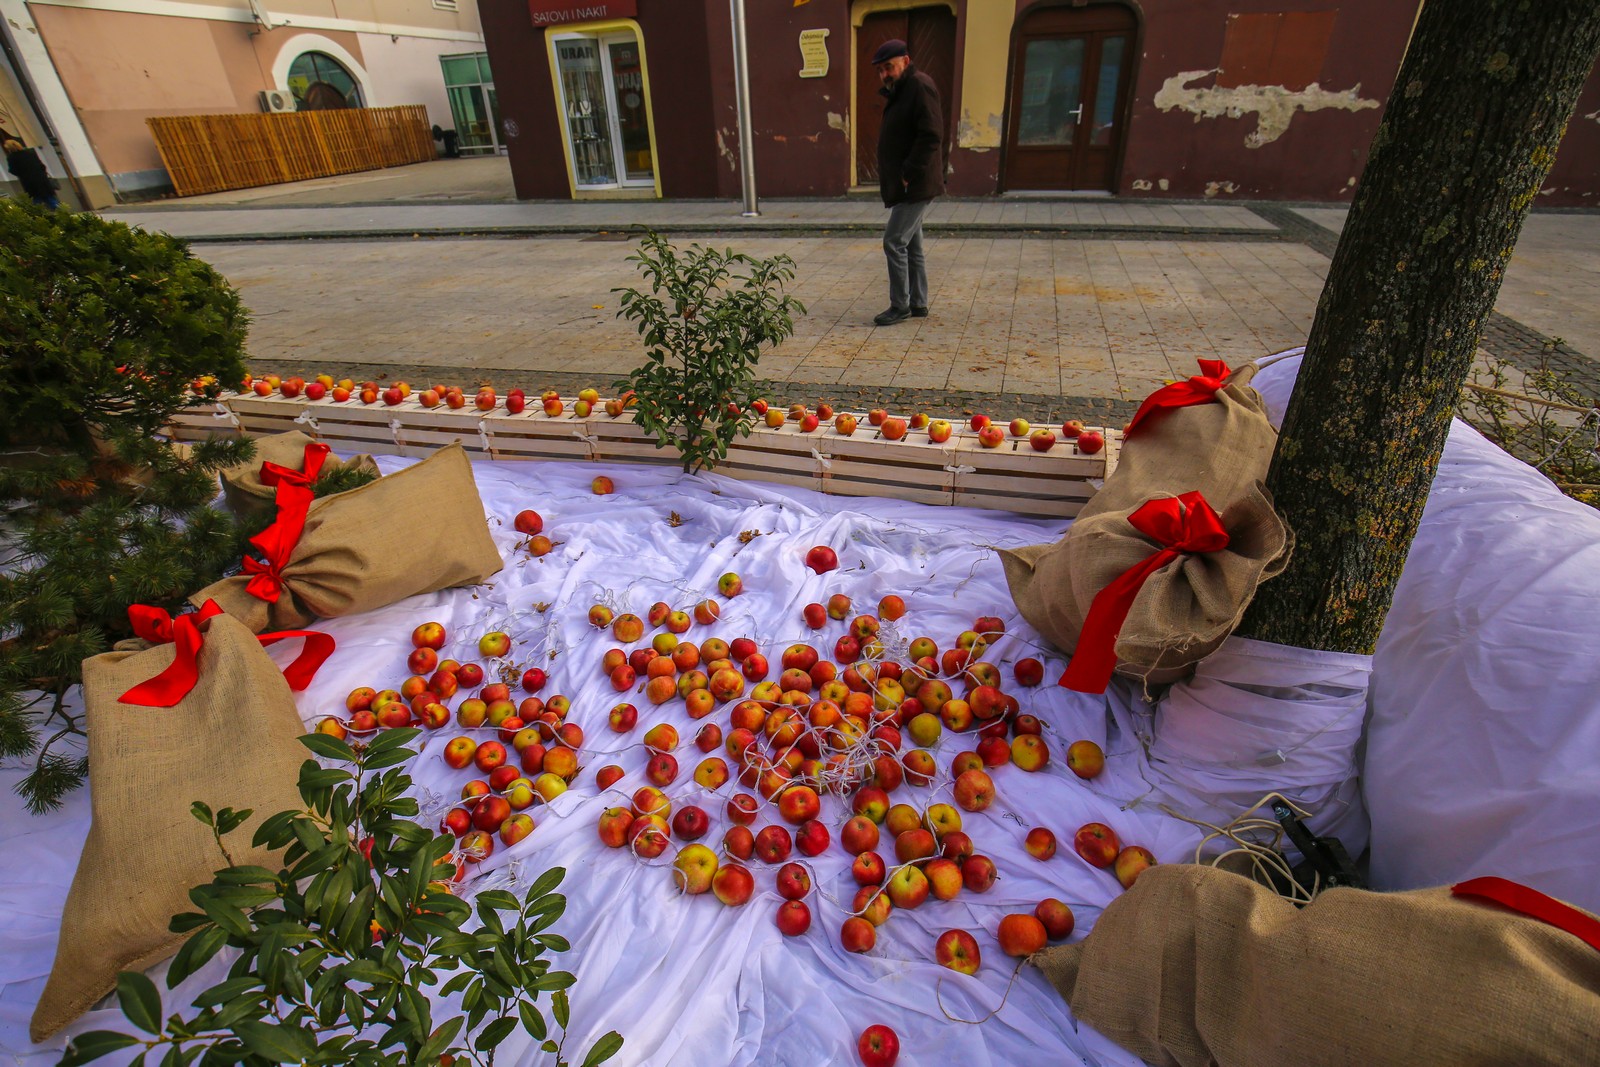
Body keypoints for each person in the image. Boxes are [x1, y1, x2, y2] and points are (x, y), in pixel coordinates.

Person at [870, 38, 944, 327]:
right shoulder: (902, 90)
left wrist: (908, 171)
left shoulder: (919, 86)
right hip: (908, 183)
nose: (885, 74)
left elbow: (931, 135)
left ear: (905, 61)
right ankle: (918, 303)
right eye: (880, 70)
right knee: (912, 244)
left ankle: (899, 305)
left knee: (893, 241)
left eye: (889, 67)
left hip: (915, 184)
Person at [4, 139, 59, 209]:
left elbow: (13, 170)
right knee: (50, 199)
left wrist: (21, 173)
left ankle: (41, 217)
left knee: (36, 202)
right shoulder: (30, 153)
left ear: (9, 148)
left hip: (29, 183)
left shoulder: (12, 157)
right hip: (42, 180)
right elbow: (42, 166)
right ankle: (61, 213)